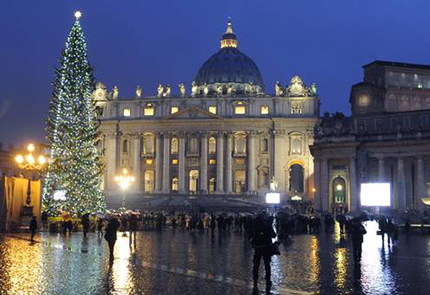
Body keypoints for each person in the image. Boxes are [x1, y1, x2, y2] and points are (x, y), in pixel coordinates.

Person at [250, 212, 277, 290]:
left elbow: (250, 235)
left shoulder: (254, 225)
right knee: (267, 264)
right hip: (266, 247)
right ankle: (268, 279)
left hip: (257, 247)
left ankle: (255, 278)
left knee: (256, 264)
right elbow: (274, 235)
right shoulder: (267, 225)